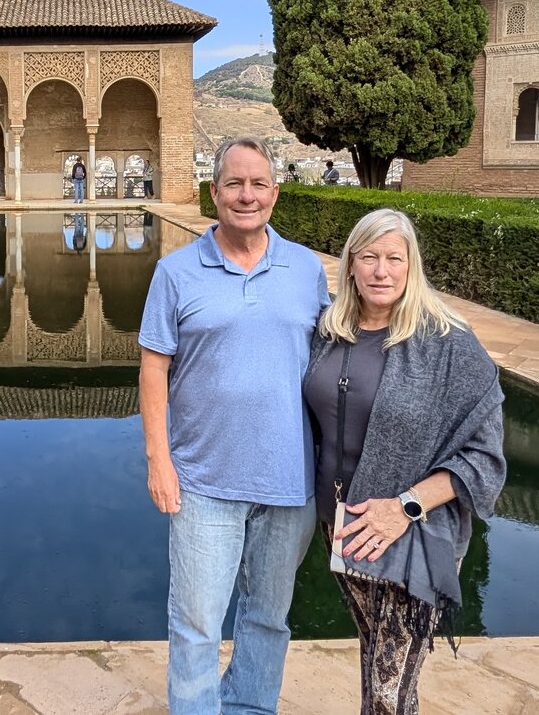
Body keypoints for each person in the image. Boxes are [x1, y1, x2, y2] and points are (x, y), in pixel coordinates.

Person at [139, 136, 331, 714]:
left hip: (288, 483)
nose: (246, 195)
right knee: (197, 623)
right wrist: (158, 461)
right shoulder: (175, 273)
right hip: (202, 482)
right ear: (214, 191)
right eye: (233, 184)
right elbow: (154, 367)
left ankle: (250, 707)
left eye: (258, 184)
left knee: (268, 619)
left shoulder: (305, 269)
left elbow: (332, 362)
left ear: (275, 192)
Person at [303, 209, 505, 715]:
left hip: (409, 533)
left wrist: (405, 507)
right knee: (377, 663)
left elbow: (486, 458)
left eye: (395, 258)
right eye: (369, 257)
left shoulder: (448, 344)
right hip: (343, 527)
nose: (381, 270)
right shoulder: (330, 331)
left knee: (390, 689)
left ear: (412, 265)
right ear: (350, 264)